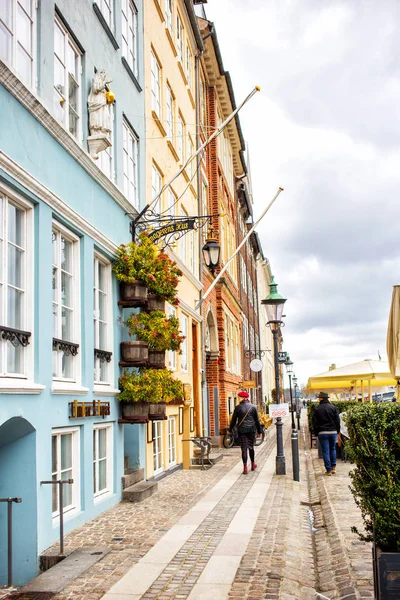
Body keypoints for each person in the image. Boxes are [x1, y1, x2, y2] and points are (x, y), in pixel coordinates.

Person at [229, 391, 262, 474]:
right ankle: (253, 464)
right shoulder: (253, 407)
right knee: (251, 447)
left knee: (243, 449)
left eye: (239, 397)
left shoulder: (237, 407)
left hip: (242, 430)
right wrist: (259, 431)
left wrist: (230, 429)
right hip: (251, 430)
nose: (239, 398)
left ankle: (245, 467)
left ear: (242, 398)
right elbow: (257, 421)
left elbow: (233, 421)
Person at [312, 391, 340, 476]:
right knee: (333, 449)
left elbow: (314, 422)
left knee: (325, 451)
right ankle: (333, 467)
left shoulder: (317, 409)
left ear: (321, 398)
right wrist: (337, 431)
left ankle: (328, 470)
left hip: (322, 432)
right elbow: (337, 421)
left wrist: (317, 433)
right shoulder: (333, 407)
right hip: (333, 432)